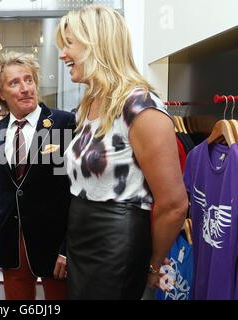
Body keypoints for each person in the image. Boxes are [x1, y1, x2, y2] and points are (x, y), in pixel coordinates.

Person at [56, 5, 188, 299]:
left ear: (97, 44)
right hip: (81, 238)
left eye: (69, 44)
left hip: (116, 246)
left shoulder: (140, 106)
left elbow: (175, 205)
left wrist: (152, 265)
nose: (63, 54)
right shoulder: (89, 104)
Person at [0, 51, 76, 300]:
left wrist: (67, 248)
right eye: (14, 83)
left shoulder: (62, 124)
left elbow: (74, 192)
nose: (25, 88)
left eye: (28, 80)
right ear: (2, 93)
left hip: (55, 246)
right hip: (11, 244)